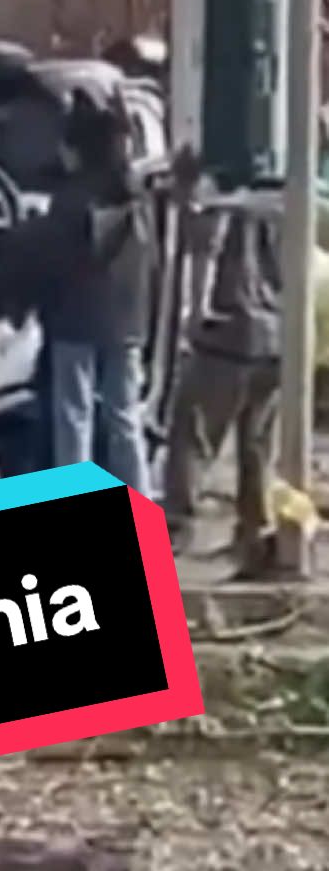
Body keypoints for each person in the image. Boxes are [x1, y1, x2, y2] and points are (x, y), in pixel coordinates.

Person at [0, 92, 154, 495]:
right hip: (127, 322)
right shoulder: (134, 196)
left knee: (72, 418)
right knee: (124, 418)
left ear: (76, 150)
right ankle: (141, 500)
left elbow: (44, 255)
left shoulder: (71, 200)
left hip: (74, 322)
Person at [162, 150, 282, 575]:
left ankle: (177, 530)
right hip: (275, 340)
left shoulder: (216, 212)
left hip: (227, 338)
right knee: (257, 447)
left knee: (192, 437)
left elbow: (205, 263)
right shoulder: (284, 206)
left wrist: (194, 319)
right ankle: (258, 533)